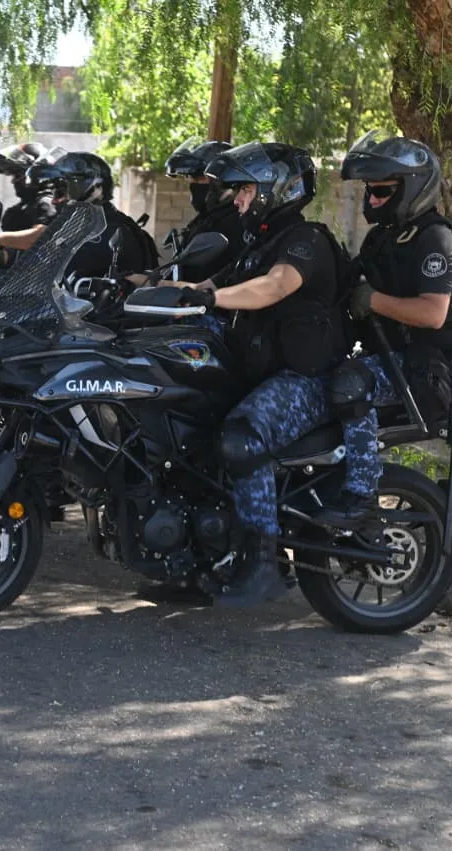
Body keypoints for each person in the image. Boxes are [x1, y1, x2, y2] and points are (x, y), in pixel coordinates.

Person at [172, 142, 349, 606]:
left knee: (242, 438)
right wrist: (143, 289)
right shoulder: (258, 243)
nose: (238, 199)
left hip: (306, 381)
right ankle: (200, 559)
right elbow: (207, 286)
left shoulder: (304, 240)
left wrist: (212, 299)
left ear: (276, 189)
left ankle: (264, 566)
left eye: (246, 189)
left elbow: (272, 288)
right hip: (264, 375)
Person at [314, 132, 452, 528]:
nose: (373, 196)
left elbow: (434, 313)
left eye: (382, 188)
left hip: (425, 368)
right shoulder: (383, 238)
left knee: (351, 384)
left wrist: (372, 300)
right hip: (389, 355)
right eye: (370, 188)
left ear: (412, 188)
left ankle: (362, 498)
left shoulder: (436, 239)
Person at [22, 151, 158, 276]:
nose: (54, 200)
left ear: (92, 188)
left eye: (62, 191)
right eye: (55, 192)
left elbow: (56, 265)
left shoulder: (107, 231)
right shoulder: (87, 226)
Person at [162, 138, 252, 283]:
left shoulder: (236, 222)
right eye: (191, 179)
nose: (193, 185)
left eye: (199, 179)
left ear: (223, 181)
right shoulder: (207, 219)